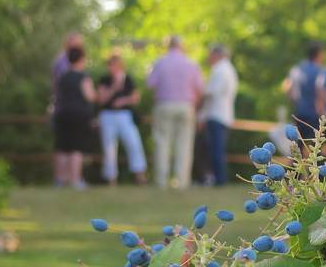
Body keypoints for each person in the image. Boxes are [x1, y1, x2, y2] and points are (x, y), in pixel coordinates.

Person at [146, 36, 203, 189]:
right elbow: (200, 88)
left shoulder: (160, 62)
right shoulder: (191, 64)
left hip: (164, 105)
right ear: (181, 46)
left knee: (162, 143)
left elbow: (150, 83)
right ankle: (182, 181)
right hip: (186, 106)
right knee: (184, 144)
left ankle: (161, 181)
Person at [96, 53, 147, 185]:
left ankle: (139, 175)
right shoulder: (104, 80)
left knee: (134, 143)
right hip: (107, 115)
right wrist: (114, 88)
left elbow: (135, 98)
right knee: (109, 148)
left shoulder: (128, 79)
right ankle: (111, 178)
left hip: (124, 115)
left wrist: (123, 101)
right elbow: (101, 99)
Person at [53, 46, 96, 189]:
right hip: (79, 115)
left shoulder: (63, 77)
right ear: (82, 59)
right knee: (76, 147)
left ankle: (60, 179)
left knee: (62, 147)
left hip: (62, 113)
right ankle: (75, 180)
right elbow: (90, 96)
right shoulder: (83, 77)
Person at [199, 44, 238, 186]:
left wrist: (201, 114)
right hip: (223, 114)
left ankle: (218, 179)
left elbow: (210, 94)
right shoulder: (228, 69)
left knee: (215, 149)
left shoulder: (220, 70)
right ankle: (217, 178)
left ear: (216, 55)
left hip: (216, 114)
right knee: (217, 148)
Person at [284, 43, 324, 141]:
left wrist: (295, 102)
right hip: (313, 113)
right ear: (318, 55)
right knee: (313, 146)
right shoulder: (319, 71)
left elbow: (287, 88)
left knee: (299, 143)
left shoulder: (297, 69)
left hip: (299, 111)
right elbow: (321, 92)